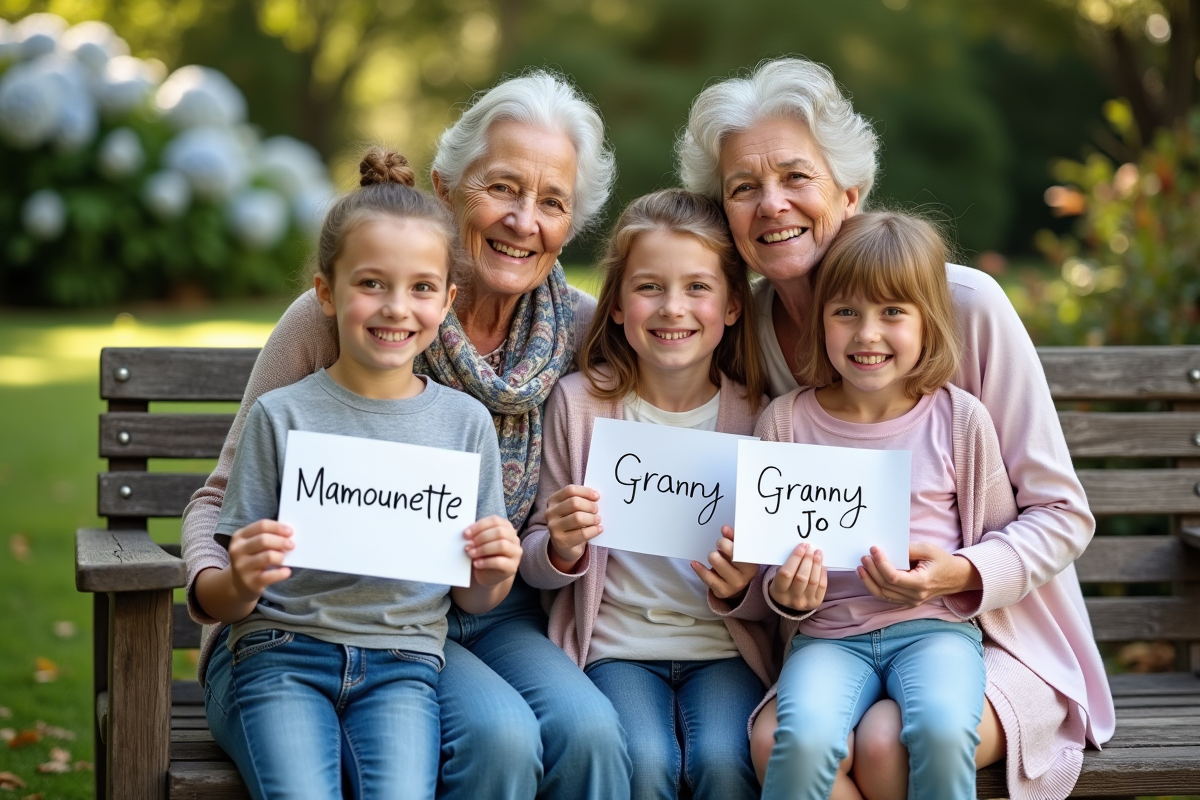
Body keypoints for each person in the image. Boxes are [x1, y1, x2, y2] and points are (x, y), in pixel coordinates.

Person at [181, 71, 630, 799]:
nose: (524, 220)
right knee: (498, 739)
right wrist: (221, 584)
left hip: (491, 606)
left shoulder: (580, 328)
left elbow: (684, 371)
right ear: (446, 188)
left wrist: (552, 545)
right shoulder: (337, 315)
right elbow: (219, 500)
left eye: (552, 202)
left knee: (590, 733)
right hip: (340, 620)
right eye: (503, 187)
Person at [677, 57, 1115, 800]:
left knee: (888, 745)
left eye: (795, 176)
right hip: (835, 638)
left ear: (849, 192)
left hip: (988, 631)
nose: (771, 204)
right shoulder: (738, 330)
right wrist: (750, 582)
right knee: (780, 742)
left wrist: (960, 573)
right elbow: (764, 534)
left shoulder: (963, 307)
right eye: (743, 188)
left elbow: (1062, 513)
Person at [189, 150, 524, 799]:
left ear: (447, 301)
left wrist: (495, 571)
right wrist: (240, 579)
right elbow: (232, 598)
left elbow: (472, 598)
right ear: (325, 292)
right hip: (280, 653)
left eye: (421, 288)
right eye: (372, 283)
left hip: (403, 665)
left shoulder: (465, 426)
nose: (396, 307)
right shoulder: (282, 416)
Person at [521, 189, 773, 800]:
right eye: (649, 287)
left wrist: (744, 586)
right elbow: (534, 558)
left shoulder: (760, 417)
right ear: (615, 305)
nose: (672, 307)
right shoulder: (580, 406)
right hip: (615, 650)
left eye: (697, 287)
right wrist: (560, 547)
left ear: (732, 306)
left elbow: (778, 586)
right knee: (645, 760)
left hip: (724, 652)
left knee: (724, 761)